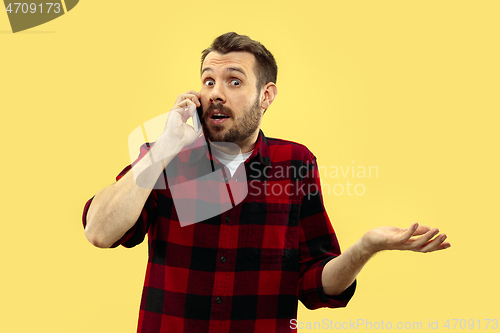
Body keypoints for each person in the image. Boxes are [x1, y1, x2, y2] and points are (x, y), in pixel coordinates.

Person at [82, 32, 451, 333]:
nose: (215, 92)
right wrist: (164, 147)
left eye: (234, 81)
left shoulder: (295, 163)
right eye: (208, 80)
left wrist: (366, 247)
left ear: (266, 95)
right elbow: (99, 231)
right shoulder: (165, 157)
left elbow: (314, 283)